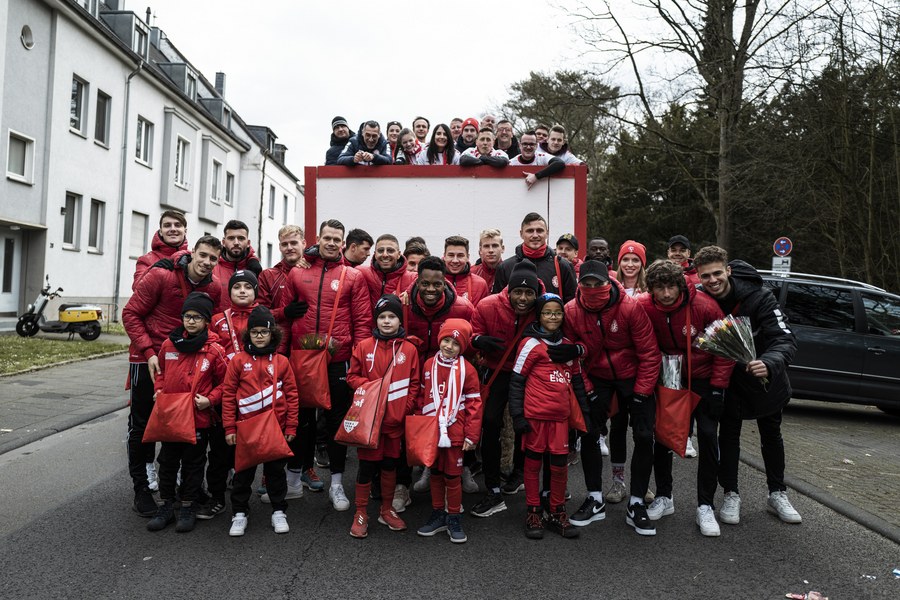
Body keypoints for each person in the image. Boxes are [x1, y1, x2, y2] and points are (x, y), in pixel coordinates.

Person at [693, 246, 801, 526]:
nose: (713, 280)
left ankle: (777, 493)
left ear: (728, 270)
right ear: (699, 277)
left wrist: (769, 362)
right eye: (705, 276)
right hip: (728, 383)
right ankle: (731, 493)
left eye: (717, 273)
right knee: (729, 437)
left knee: (771, 435)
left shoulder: (760, 297)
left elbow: (784, 338)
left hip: (766, 381)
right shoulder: (701, 299)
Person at [123, 235, 224, 517]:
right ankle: (142, 489)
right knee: (142, 425)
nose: (206, 262)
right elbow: (130, 314)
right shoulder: (161, 275)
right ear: (192, 253)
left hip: (187, 360)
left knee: (184, 423)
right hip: (150, 359)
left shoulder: (214, 286)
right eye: (203, 255)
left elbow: (211, 322)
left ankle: (186, 488)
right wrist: (148, 352)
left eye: (213, 258)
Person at [562, 260, 661, 535]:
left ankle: (637, 502)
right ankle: (594, 497)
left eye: (599, 283)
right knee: (588, 433)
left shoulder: (630, 307)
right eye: (587, 284)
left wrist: (642, 392)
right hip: (597, 376)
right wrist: (587, 389)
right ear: (580, 284)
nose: (593, 289)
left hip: (633, 375)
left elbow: (649, 353)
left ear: (609, 282)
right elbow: (572, 357)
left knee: (644, 435)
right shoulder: (571, 310)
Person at [638, 260, 733, 536]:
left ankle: (705, 505)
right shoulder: (644, 306)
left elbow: (725, 347)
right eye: (659, 287)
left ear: (681, 285)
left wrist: (718, 388)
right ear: (651, 288)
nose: (666, 294)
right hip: (668, 376)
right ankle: (664, 496)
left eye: (671, 287)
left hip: (703, 379)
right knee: (664, 437)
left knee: (708, 435)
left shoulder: (705, 306)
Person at [286, 219, 372, 513]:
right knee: (301, 420)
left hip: (338, 360)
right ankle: (294, 479)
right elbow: (284, 316)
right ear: (318, 239)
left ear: (343, 243)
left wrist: (358, 360)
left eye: (337, 239)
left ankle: (336, 482)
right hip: (302, 358)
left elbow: (362, 321)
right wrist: (282, 354)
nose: (332, 243)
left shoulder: (353, 276)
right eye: (328, 238)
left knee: (336, 422)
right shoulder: (297, 272)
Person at [509, 293, 590, 539]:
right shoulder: (530, 344)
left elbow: (577, 382)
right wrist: (517, 415)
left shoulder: (567, 345)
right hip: (535, 417)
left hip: (561, 419)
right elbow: (517, 381)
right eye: (547, 313)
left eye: (557, 313)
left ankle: (557, 512)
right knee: (532, 464)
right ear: (539, 315)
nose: (552, 317)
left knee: (559, 467)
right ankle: (533, 511)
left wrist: (585, 414)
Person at [146, 292, 227, 533]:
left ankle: (188, 506)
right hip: (171, 417)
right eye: (187, 316)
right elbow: (160, 373)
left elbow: (226, 383)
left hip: (197, 419)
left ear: (207, 321)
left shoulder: (214, 350)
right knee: (167, 462)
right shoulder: (169, 345)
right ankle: (166, 506)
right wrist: (159, 391)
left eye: (197, 317)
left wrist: (210, 400)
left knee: (193, 464)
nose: (191, 321)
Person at [346, 295, 421, 538]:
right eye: (382, 317)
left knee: (390, 465)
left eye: (392, 317)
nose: (387, 321)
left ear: (400, 320)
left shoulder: (409, 349)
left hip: (394, 422)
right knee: (367, 467)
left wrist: (404, 409)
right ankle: (360, 512)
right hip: (370, 422)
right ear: (376, 320)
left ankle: (387, 509)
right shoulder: (364, 346)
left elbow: (415, 383)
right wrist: (373, 388)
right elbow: (352, 377)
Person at [470, 260, 540, 517]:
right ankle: (493, 487)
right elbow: (472, 335)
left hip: (529, 373)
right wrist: (479, 340)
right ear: (509, 289)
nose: (522, 298)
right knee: (490, 423)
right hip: (497, 371)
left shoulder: (543, 307)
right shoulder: (488, 305)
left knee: (526, 424)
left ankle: (519, 474)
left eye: (529, 293)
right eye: (517, 292)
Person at [222, 306, 300, 536]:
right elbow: (228, 395)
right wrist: (229, 427)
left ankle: (279, 511)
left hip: (275, 428)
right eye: (254, 332)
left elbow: (293, 395)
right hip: (246, 429)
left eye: (264, 332)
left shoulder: (282, 361)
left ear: (272, 333)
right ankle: (239, 513)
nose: (259, 336)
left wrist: (291, 425)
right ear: (248, 334)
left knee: (275, 473)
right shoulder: (238, 361)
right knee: (243, 474)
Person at [415, 319, 483, 544]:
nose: (449, 346)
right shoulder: (428, 365)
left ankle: (454, 516)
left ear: (462, 347)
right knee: (435, 473)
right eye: (446, 340)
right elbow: (421, 397)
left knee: (453, 476)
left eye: (455, 343)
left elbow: (474, 404)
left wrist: (471, 435)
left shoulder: (468, 370)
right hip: (432, 431)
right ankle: (438, 514)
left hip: (455, 431)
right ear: (439, 339)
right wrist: (419, 426)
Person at [200, 270, 261, 521]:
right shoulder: (217, 320)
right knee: (219, 449)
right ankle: (216, 497)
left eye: (248, 286)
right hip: (223, 394)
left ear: (255, 291)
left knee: (247, 449)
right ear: (230, 291)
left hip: (252, 396)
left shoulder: (262, 318)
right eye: (237, 287)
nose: (242, 291)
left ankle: (241, 500)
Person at [492, 212, 577, 302]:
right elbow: (498, 304)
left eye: (539, 230)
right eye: (530, 231)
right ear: (521, 234)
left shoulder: (563, 266)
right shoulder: (505, 267)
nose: (535, 235)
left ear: (547, 233)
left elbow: (571, 305)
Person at [257, 225, 310, 356]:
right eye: (285, 244)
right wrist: (284, 312)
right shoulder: (268, 275)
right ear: (280, 247)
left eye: (294, 243)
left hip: (308, 344)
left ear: (303, 243)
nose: (289, 248)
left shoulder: (314, 271)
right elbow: (260, 313)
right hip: (277, 345)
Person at [358, 234, 418, 308]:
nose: (385, 254)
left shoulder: (412, 278)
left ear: (399, 254)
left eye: (390, 250)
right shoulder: (362, 273)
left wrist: (410, 291)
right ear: (375, 254)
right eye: (380, 251)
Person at [133, 210, 187, 290]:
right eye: (167, 225)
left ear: (185, 231)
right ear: (161, 232)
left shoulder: (194, 258)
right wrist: (152, 269)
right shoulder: (146, 260)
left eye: (177, 225)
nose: (173, 229)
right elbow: (137, 288)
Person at [213, 220, 262, 305]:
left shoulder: (256, 269)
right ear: (223, 242)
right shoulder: (212, 268)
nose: (236, 243)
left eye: (241, 238)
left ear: (248, 243)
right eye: (231, 238)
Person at [443, 235, 489, 306]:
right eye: (451, 255)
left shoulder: (480, 285)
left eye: (460, 255)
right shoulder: (435, 282)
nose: (455, 260)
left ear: (468, 257)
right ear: (444, 256)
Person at [471, 229, 505, 293]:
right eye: (486, 246)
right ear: (480, 250)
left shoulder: (510, 272)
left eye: (495, 246)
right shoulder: (471, 273)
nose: (491, 250)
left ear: (502, 249)